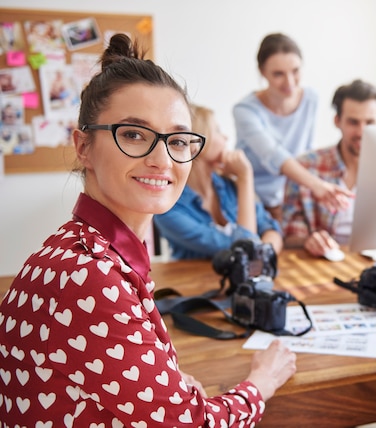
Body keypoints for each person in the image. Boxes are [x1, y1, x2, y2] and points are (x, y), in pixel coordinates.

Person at [0, 33, 296, 426]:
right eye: (134, 134)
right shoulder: (86, 274)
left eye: (177, 140)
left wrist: (166, 383)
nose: (162, 160)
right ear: (83, 147)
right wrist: (261, 382)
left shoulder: (82, 249)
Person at [233, 32, 352, 222]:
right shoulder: (245, 111)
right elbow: (274, 155)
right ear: (263, 72)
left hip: (292, 192)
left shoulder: (310, 99)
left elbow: (305, 152)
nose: (289, 82)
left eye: (295, 71)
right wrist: (317, 185)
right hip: (253, 197)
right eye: (278, 74)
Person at [154, 104, 283, 260]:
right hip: (197, 282)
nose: (225, 138)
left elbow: (271, 230)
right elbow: (243, 249)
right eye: (218, 130)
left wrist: (262, 259)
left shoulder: (229, 186)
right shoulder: (169, 208)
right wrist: (245, 178)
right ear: (196, 143)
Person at [282, 79, 376, 257]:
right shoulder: (305, 167)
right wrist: (309, 240)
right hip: (329, 262)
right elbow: (290, 235)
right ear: (337, 121)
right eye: (353, 122)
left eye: (369, 122)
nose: (362, 132)